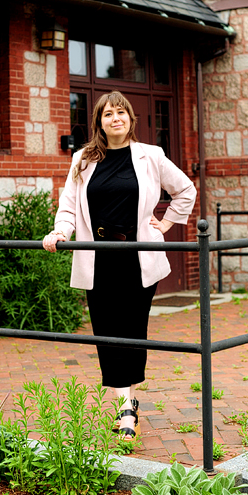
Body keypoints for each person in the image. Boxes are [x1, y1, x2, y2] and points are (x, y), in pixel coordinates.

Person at [42, 91, 195, 440]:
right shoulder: (82, 159)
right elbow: (68, 206)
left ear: (130, 119)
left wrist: (167, 224)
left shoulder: (150, 156)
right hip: (97, 257)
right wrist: (60, 231)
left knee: (131, 329)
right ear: (99, 121)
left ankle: (129, 404)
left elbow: (185, 189)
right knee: (107, 332)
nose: (116, 118)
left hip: (138, 255)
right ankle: (124, 405)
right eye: (108, 113)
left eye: (121, 112)